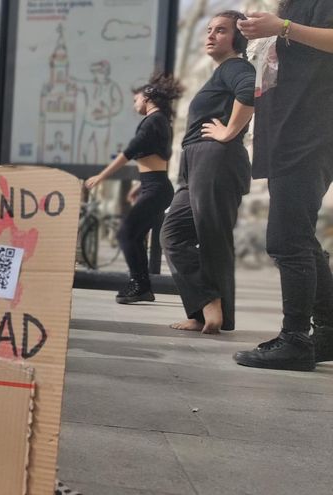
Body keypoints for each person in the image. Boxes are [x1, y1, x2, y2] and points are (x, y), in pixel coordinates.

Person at [233, 1, 333, 371]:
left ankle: (295, 339)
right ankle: (325, 330)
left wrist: (283, 26)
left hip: (308, 133)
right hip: (287, 134)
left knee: (287, 239)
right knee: (299, 236)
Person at [161, 11, 255, 334]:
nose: (211, 35)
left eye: (221, 30)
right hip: (196, 162)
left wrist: (229, 131)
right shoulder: (220, 73)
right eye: (210, 30)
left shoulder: (236, 68)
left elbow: (250, 90)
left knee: (212, 236)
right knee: (172, 234)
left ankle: (213, 314)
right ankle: (205, 306)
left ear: (237, 38)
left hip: (215, 159)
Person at [84, 74, 183, 304]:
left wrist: (101, 176)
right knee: (134, 235)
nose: (134, 104)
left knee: (125, 233)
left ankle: (139, 284)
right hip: (154, 186)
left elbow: (130, 151)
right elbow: (155, 158)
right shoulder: (159, 121)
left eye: (135, 99)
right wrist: (140, 185)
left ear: (147, 96)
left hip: (156, 188)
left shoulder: (153, 121)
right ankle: (141, 284)